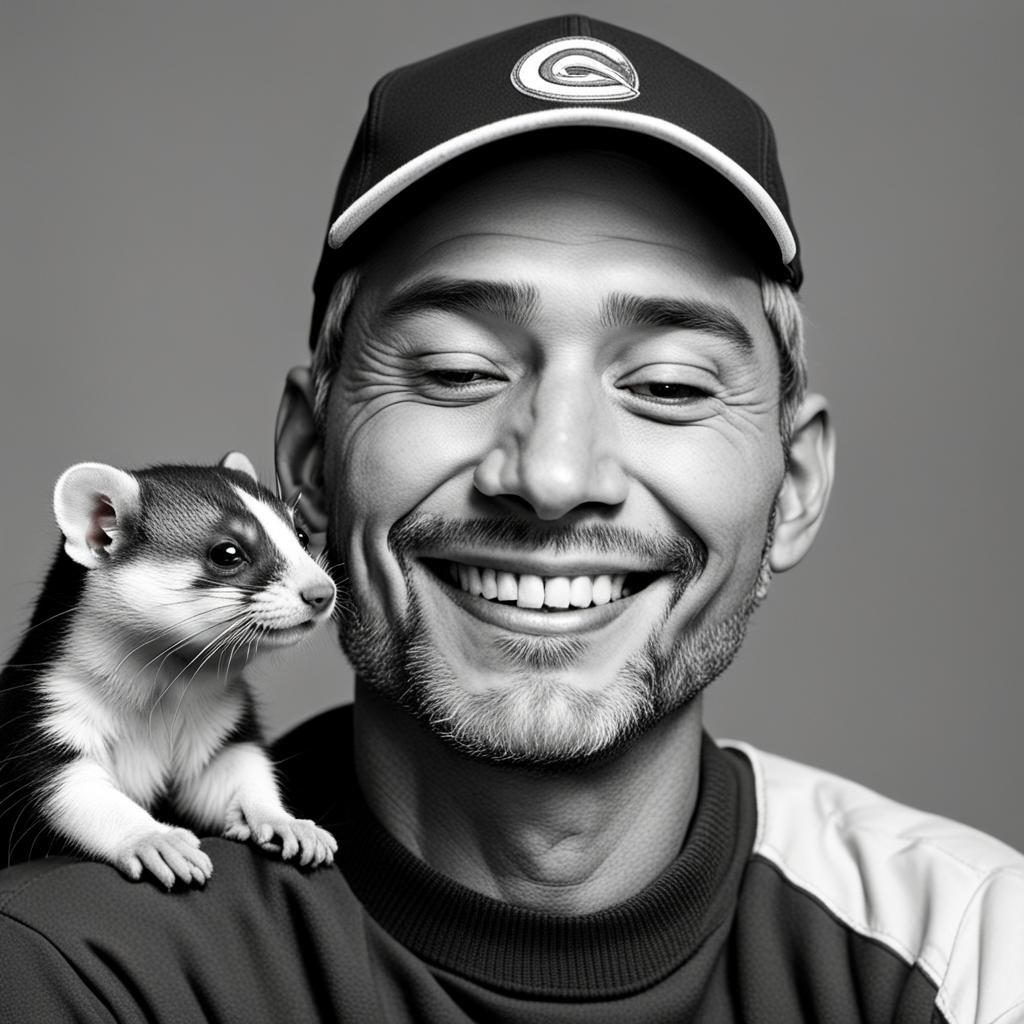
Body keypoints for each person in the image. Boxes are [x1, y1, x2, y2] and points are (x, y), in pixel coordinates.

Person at [2, 14, 1022, 1023]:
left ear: (793, 485)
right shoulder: (65, 963)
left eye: (667, 385)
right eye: (455, 370)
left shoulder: (968, 948)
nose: (552, 471)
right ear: (306, 465)